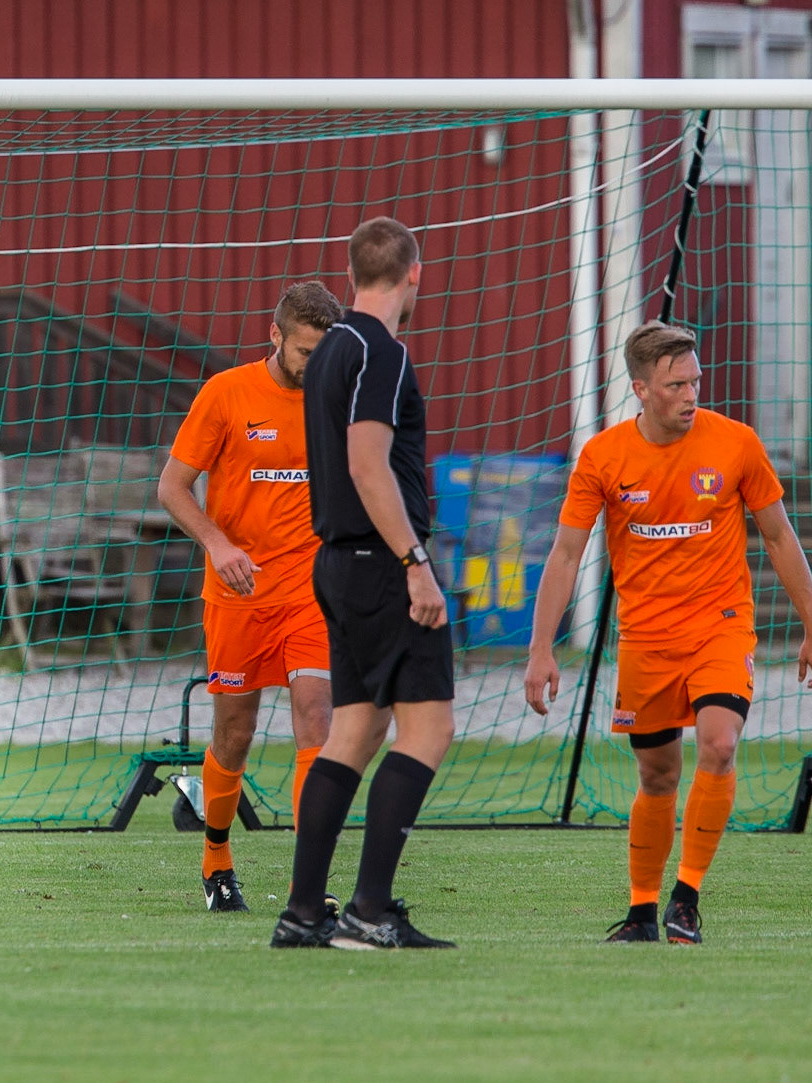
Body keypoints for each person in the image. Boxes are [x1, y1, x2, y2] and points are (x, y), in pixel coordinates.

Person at [524, 320, 812, 944]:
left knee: (718, 745)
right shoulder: (603, 456)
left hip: (721, 626)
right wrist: (540, 650)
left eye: (695, 381)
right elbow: (565, 554)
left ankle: (685, 900)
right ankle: (642, 911)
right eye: (676, 385)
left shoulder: (736, 443)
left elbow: (778, 535)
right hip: (645, 638)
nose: (691, 394)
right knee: (658, 776)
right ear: (640, 389)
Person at [270, 216, 457, 951]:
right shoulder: (380, 350)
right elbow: (366, 464)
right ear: (414, 273)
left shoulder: (327, 352)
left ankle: (302, 913)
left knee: (354, 730)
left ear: (351, 274)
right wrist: (416, 565)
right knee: (429, 727)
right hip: (381, 564)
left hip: (337, 563)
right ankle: (369, 909)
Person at [157, 280, 341, 912]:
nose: (315, 364)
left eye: (325, 352)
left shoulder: (337, 398)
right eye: (306, 351)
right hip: (238, 594)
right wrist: (218, 544)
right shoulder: (226, 393)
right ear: (275, 335)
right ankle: (216, 860)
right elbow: (173, 487)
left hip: (311, 593)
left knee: (316, 716)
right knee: (234, 735)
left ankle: (307, 886)